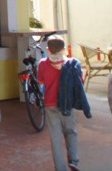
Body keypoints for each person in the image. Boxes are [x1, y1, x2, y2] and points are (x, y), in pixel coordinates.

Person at [37, 34, 91, 171]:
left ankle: (60, 168)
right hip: (67, 102)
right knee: (71, 131)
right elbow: (80, 82)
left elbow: (40, 81)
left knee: (55, 137)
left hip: (50, 103)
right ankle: (73, 160)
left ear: (48, 49)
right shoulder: (72, 64)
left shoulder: (43, 63)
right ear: (63, 48)